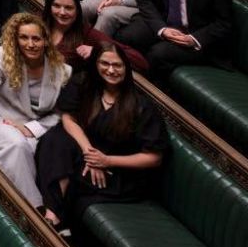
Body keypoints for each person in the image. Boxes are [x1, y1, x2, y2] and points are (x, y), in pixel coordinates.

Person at [34, 47, 166, 231]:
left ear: (126, 68)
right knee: (55, 139)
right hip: (88, 154)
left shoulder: (141, 106)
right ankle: (53, 217)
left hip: (118, 171)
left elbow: (153, 157)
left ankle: (52, 221)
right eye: (105, 63)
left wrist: (106, 161)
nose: (111, 70)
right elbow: (68, 118)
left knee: (67, 167)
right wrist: (90, 154)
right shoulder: (84, 83)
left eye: (117, 65)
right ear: (95, 64)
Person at [0, 13, 69, 207]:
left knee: (48, 152)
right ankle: (34, 210)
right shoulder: (3, 56)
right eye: (24, 37)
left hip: (38, 127)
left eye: (36, 38)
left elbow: (62, 113)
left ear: (46, 41)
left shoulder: (62, 71)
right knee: (17, 146)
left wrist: (32, 128)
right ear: (16, 39)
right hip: (0, 117)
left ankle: (53, 210)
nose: (30, 44)